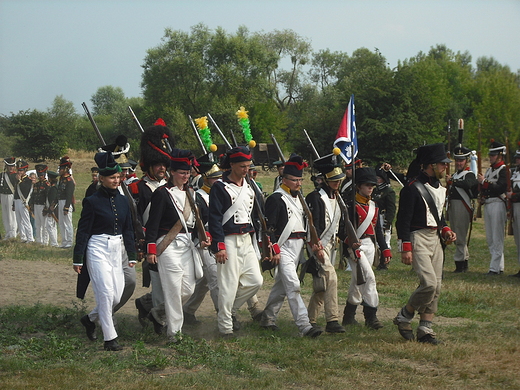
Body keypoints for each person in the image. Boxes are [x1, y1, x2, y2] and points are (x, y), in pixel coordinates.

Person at [145, 148, 210, 343]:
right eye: (182, 173)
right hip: (167, 245)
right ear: (172, 172)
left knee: (187, 290)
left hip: (188, 245)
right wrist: (150, 250)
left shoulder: (193, 194)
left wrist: (206, 235)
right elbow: (153, 224)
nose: (185, 176)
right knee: (173, 290)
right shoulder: (162, 194)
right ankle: (174, 333)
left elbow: (204, 219)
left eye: (188, 173)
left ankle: (157, 313)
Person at [394, 143, 456, 345]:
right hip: (418, 237)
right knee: (428, 283)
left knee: (436, 286)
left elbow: (439, 217)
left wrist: (446, 230)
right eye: (441, 164)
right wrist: (405, 247)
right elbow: (402, 221)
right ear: (430, 165)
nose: (445, 167)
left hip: (435, 238)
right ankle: (405, 314)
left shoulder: (442, 189)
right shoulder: (411, 189)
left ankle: (425, 329)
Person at [74, 152, 136, 351]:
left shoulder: (123, 200)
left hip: (117, 248)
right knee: (106, 294)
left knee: (117, 296)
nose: (116, 180)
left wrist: (132, 254)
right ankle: (110, 339)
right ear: (102, 178)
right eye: (112, 178)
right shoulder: (92, 201)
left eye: (118, 177)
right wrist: (78, 259)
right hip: (97, 248)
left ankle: (90, 319)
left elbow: (128, 229)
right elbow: (83, 231)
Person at [260, 154, 322, 338]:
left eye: (300, 180)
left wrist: (313, 245)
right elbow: (268, 228)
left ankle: (267, 318)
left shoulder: (298, 199)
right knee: (293, 285)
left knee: (281, 286)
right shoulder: (276, 198)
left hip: (298, 247)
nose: (298, 183)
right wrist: (274, 250)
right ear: (284, 179)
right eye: (294, 180)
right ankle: (305, 325)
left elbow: (305, 226)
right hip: (283, 247)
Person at [208, 146, 263, 338]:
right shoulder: (220, 187)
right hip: (229, 240)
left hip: (247, 239)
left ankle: (229, 311)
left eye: (248, 166)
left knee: (256, 281)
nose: (246, 170)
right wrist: (219, 246)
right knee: (228, 285)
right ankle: (225, 328)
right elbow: (214, 218)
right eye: (242, 166)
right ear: (231, 165)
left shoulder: (250, 186)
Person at [131, 120, 173, 330]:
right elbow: (136, 219)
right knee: (158, 285)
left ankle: (146, 304)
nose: (162, 168)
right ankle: (160, 322)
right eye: (158, 164)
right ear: (149, 164)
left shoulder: (172, 187)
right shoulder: (138, 189)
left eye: (165, 165)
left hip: (172, 239)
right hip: (152, 241)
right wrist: (142, 244)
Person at [342, 167, 391, 329]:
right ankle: (371, 317)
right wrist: (350, 244)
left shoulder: (373, 206)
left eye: (372, 185)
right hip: (356, 247)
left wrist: (385, 248)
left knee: (358, 282)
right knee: (369, 279)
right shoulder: (350, 206)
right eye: (367, 185)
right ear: (358, 186)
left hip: (370, 246)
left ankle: (348, 316)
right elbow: (342, 230)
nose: (370, 188)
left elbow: (378, 230)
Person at [305, 153, 346, 334]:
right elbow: (312, 225)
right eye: (334, 180)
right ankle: (332, 320)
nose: (338, 183)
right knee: (332, 278)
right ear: (324, 180)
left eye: (339, 180)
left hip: (332, 245)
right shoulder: (315, 197)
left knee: (323, 286)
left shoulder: (337, 197)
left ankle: (310, 319)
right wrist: (317, 246)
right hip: (317, 245)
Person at [183, 154, 222, 325]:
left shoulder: (220, 194)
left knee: (204, 282)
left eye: (219, 177)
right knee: (215, 279)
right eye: (215, 178)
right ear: (206, 179)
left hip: (218, 239)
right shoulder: (198, 197)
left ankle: (188, 310)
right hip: (203, 241)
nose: (218, 181)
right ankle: (224, 316)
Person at [446, 145, 478, 273]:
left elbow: (469, 184)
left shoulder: (468, 174)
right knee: (456, 233)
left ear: (466, 161)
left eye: (461, 160)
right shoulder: (455, 175)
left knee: (459, 235)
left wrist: (452, 181)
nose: (459, 163)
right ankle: (463, 261)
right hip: (453, 206)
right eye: (457, 160)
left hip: (462, 206)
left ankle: (460, 263)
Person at [477, 140, 507, 275]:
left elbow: (501, 187)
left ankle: (494, 268)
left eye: (494, 155)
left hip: (498, 203)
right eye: (491, 154)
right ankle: (499, 266)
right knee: (490, 237)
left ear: (500, 156)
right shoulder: (489, 170)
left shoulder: (504, 170)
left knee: (497, 237)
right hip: (489, 204)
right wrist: (482, 196)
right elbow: (486, 188)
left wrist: (484, 182)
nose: (491, 157)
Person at [372, 167, 396, 270]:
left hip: (383, 216)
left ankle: (384, 262)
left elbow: (391, 208)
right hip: (375, 215)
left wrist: (388, 222)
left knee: (385, 239)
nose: (377, 180)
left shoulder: (388, 191)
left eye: (379, 178)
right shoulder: (374, 190)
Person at [13, 160, 34, 243]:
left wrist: (19, 181)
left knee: (26, 221)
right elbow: (16, 192)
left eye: (21, 170)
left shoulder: (28, 180)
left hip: (23, 202)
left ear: (25, 170)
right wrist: (13, 204)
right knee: (19, 220)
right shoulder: (17, 179)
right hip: (17, 201)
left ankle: (30, 238)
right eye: (18, 170)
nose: (19, 172)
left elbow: (25, 190)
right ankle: (23, 237)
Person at [57, 156, 75, 248]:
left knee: (67, 223)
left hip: (66, 202)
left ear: (66, 169)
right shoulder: (61, 180)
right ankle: (64, 241)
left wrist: (66, 207)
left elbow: (69, 195)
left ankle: (69, 241)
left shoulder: (69, 181)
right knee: (61, 223)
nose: (60, 170)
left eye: (61, 168)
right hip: (60, 201)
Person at [508, 146, 520, 277]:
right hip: (515, 208)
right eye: (517, 158)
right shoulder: (515, 172)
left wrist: (513, 196)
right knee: (518, 239)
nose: (517, 160)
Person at [30, 164, 50, 245]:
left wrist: (46, 207)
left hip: (43, 205)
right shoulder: (37, 184)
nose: (40, 176)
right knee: (37, 223)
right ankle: (38, 239)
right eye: (39, 174)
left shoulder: (47, 185)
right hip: (36, 205)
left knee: (44, 224)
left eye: (42, 174)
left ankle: (45, 241)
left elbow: (48, 197)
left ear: (44, 174)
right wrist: (32, 205)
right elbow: (33, 195)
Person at [1, 157, 18, 239]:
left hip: (11, 196)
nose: (11, 168)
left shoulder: (16, 176)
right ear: (6, 166)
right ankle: (8, 232)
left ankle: (13, 233)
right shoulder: (2, 175)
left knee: (11, 215)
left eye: (12, 166)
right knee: (5, 215)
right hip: (3, 196)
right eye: (9, 166)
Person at [44, 171, 59, 247]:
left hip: (52, 210)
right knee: (52, 226)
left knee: (50, 226)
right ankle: (54, 242)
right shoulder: (53, 187)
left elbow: (52, 200)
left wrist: (50, 210)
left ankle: (54, 242)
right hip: (50, 209)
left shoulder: (53, 188)